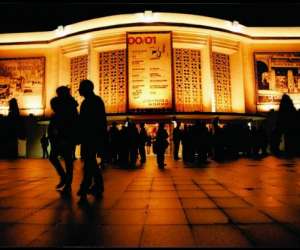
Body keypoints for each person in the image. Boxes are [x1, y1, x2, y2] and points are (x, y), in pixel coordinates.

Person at [77, 79, 107, 203]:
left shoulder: (90, 102)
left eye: (81, 88)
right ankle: (97, 186)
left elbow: (88, 122)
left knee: (89, 161)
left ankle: (86, 187)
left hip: (91, 137)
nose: (79, 90)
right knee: (91, 162)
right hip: (92, 136)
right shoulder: (93, 101)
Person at [48, 86, 79, 194]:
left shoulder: (68, 106)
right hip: (60, 136)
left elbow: (71, 122)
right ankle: (65, 178)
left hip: (65, 136)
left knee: (67, 160)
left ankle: (67, 181)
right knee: (61, 159)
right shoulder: (67, 104)